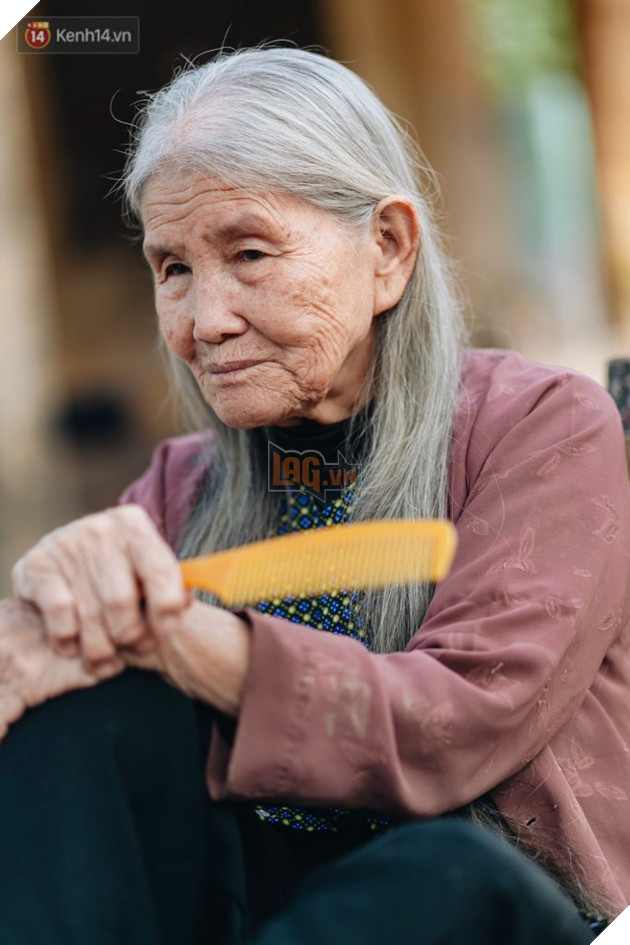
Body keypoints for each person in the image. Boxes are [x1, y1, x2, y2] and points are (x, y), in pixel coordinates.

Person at [0, 45, 627, 945]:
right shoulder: (178, 487)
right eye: (172, 268)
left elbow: (456, 724)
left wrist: (177, 632)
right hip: (266, 911)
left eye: (248, 252)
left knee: (439, 871)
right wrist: (42, 622)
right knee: (74, 720)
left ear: (387, 248)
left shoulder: (542, 427)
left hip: (485, 904)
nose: (205, 321)